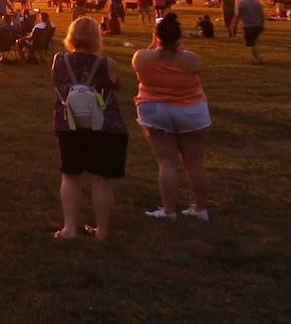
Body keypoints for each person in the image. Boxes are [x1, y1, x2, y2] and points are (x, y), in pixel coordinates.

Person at [51, 16, 127, 240]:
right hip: (104, 125)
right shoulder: (107, 64)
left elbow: (56, 82)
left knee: (70, 177)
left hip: (69, 123)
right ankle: (102, 231)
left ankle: (69, 229)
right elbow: (117, 85)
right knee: (100, 179)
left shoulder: (60, 60)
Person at [132, 15, 211, 222]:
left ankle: (168, 210)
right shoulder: (190, 59)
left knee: (166, 162)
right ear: (178, 37)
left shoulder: (142, 57)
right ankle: (200, 208)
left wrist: (155, 40)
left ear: (156, 36)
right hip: (191, 110)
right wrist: (175, 44)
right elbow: (194, 67)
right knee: (195, 163)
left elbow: (147, 57)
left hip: (155, 109)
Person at [234, 0, 265, 64]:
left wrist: (234, 25)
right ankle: (258, 57)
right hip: (258, 24)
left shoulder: (241, 3)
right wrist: (262, 24)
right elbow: (261, 14)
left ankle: (256, 59)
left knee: (250, 43)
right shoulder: (257, 2)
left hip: (249, 25)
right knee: (254, 42)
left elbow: (238, 15)